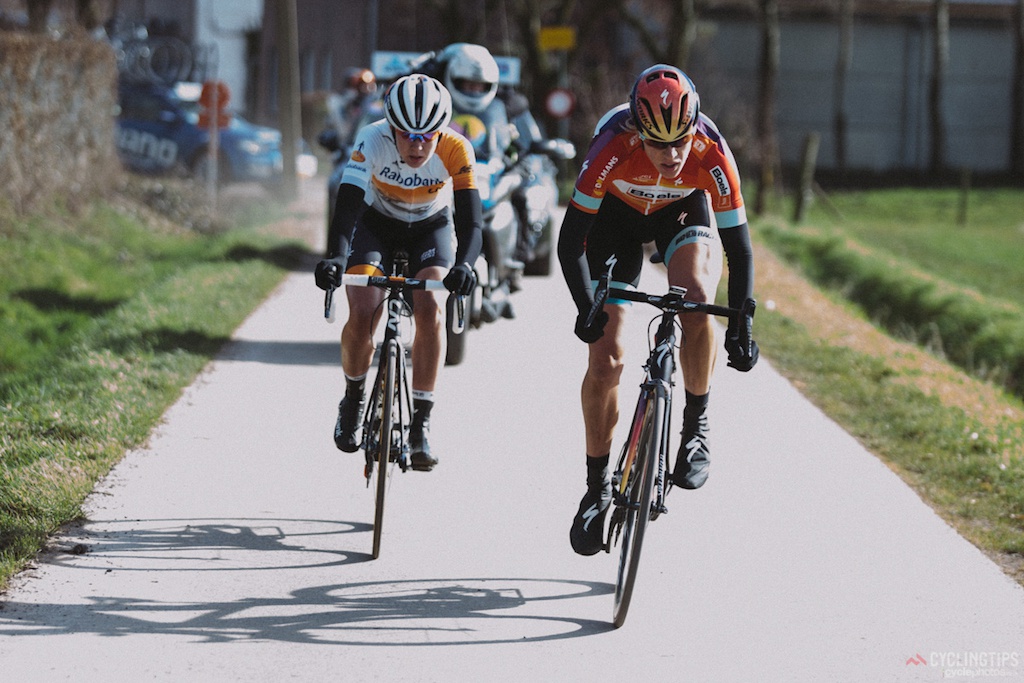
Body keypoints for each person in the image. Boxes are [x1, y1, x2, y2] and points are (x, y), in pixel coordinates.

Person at [557, 64, 759, 555]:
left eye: (680, 143)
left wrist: (742, 322)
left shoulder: (711, 153)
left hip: (682, 212)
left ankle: (695, 425)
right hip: (615, 219)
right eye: (658, 144)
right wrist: (587, 307)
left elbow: (740, 250)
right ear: (637, 131)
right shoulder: (611, 146)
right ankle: (596, 486)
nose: (671, 156)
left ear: (693, 128)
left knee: (695, 301)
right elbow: (570, 243)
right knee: (606, 361)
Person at [314, 74, 483, 472]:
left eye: (427, 135)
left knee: (431, 306)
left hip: (431, 226)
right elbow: (348, 207)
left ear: (441, 132)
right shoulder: (371, 140)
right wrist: (337, 258)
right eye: (406, 135)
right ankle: (353, 399)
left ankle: (421, 423)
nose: (417, 144)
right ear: (390, 127)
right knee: (363, 309)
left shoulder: (457, 148)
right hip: (378, 224)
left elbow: (473, 223)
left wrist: (465, 266)